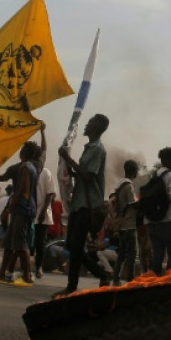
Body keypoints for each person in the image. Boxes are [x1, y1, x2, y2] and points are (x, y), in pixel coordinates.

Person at [53, 114, 111, 298]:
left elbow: (88, 176)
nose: (86, 125)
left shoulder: (97, 149)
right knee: (72, 246)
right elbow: (82, 174)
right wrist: (67, 168)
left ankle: (72, 287)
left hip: (88, 205)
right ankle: (101, 274)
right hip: (78, 204)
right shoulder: (89, 148)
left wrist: (68, 159)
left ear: (97, 127)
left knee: (76, 246)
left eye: (90, 122)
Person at [0, 141, 39, 286]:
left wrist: (9, 208)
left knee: (20, 244)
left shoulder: (25, 168)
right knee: (9, 242)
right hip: (21, 209)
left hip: (23, 210)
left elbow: (23, 190)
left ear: (24, 152)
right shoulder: (28, 167)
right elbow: (5, 177)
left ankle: (27, 276)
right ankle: (1, 274)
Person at [146, 147, 171, 275]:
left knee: (158, 254)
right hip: (169, 220)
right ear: (165, 161)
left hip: (152, 222)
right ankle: (169, 281)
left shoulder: (154, 175)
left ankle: (154, 281)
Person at [33, 126, 56, 279]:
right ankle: (29, 266)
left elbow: (50, 194)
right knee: (29, 242)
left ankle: (38, 266)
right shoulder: (28, 170)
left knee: (40, 242)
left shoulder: (45, 172)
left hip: (42, 214)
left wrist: (42, 212)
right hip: (30, 212)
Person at [111, 160, 139, 286]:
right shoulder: (129, 187)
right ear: (134, 172)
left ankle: (116, 279)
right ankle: (130, 279)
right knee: (132, 254)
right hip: (130, 225)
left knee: (121, 254)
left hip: (121, 226)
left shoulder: (120, 185)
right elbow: (133, 204)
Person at [0, 185, 12, 262]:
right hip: (10, 222)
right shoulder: (13, 199)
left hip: (2, 221)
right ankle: (8, 257)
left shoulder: (1, 199)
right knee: (10, 240)